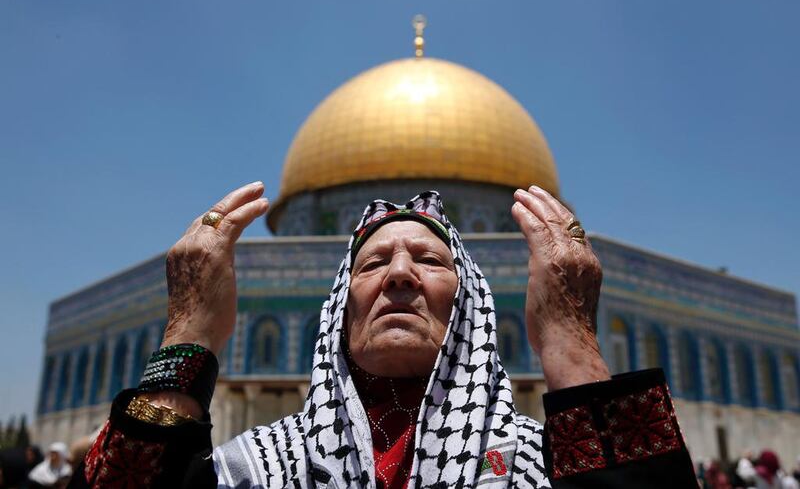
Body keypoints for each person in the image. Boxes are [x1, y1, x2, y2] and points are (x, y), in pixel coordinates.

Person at [69, 183, 698, 488]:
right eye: (372, 264)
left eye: (428, 260)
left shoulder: (542, 466)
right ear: (339, 308)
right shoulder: (257, 471)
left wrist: (569, 337)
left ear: (473, 306)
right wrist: (188, 329)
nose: (399, 274)